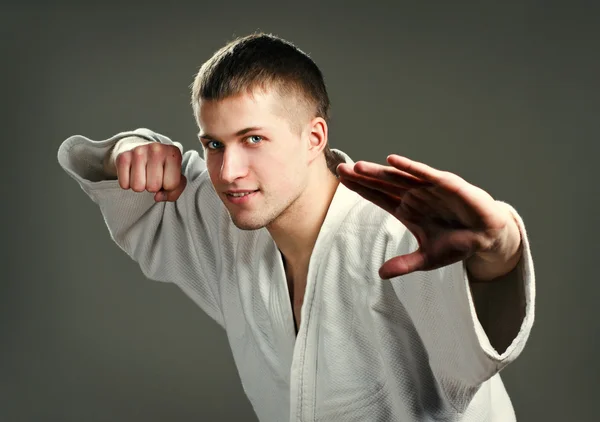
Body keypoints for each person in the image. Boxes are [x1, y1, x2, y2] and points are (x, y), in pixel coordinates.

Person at [57, 33, 535, 421]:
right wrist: (129, 148)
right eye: (214, 144)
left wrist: (500, 252)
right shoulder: (231, 222)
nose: (228, 172)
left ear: (314, 137)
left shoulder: (399, 237)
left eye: (254, 139)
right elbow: (130, 184)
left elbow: (477, 352)